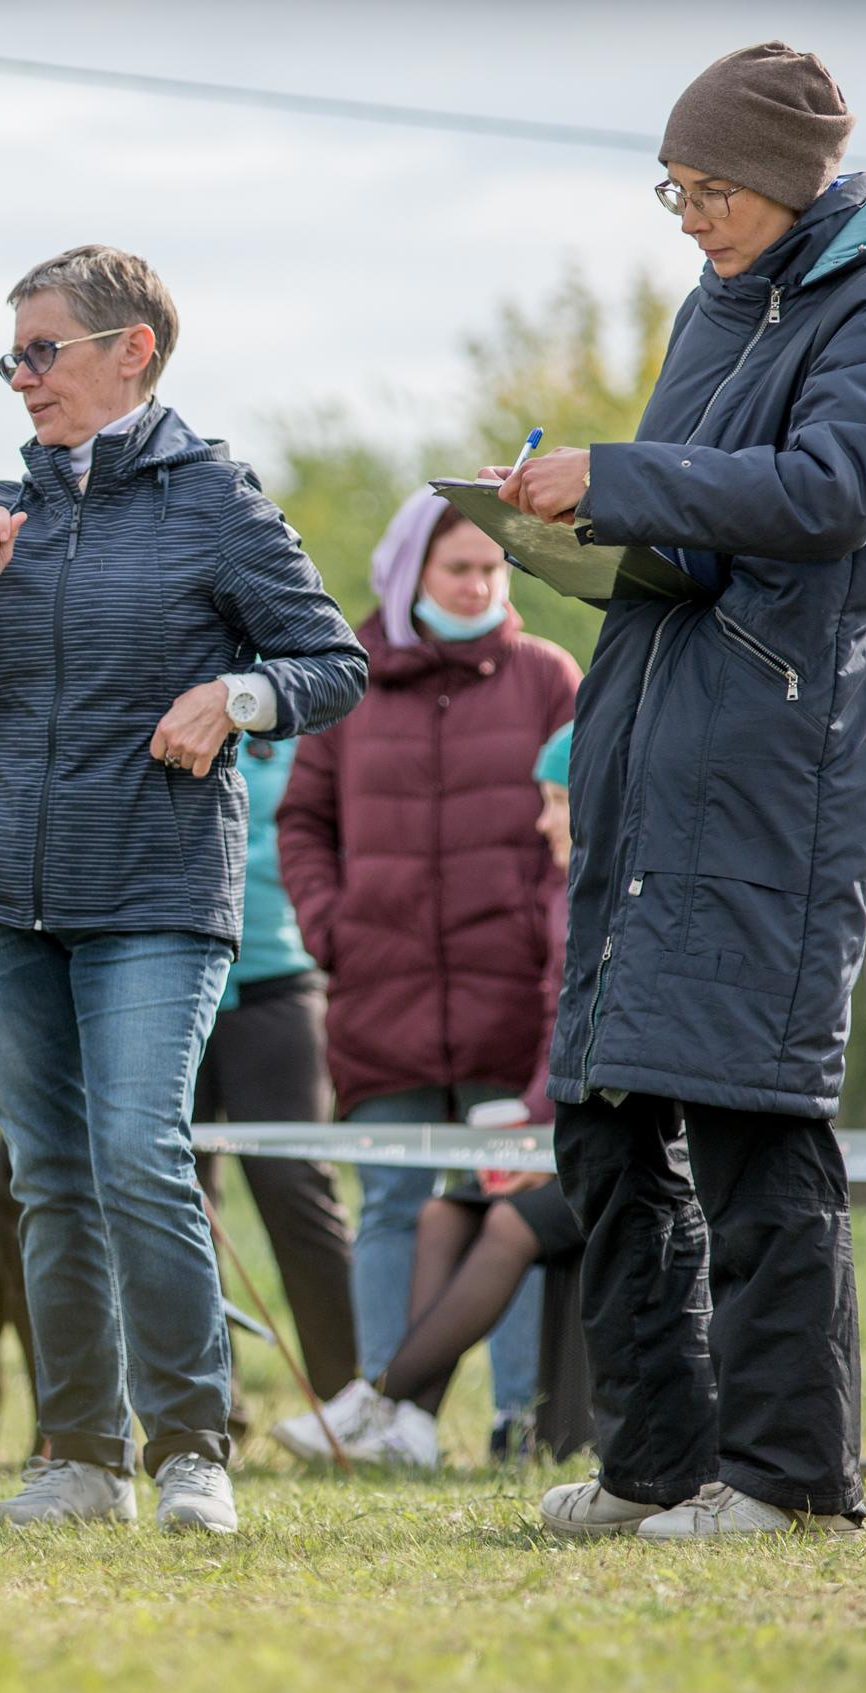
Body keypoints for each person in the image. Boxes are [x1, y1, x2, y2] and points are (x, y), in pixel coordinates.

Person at [497, 43, 866, 1541]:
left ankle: (788, 1476)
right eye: (673, 189)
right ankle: (657, 1464)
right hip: (650, 742)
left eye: (708, 188)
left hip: (777, 767)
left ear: (789, 177)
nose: (687, 215)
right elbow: (700, 516)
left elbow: (830, 495)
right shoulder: (720, 297)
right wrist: (578, 527)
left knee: (755, 1119)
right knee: (607, 1119)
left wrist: (619, 480)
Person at [0, 245, 366, 1534]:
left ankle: (190, 1451)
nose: (20, 378)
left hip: (155, 888)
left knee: (138, 1155)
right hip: (4, 889)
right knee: (48, 1175)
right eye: (11, 355)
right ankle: (82, 1462)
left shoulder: (217, 500)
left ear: (130, 352)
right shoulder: (4, 506)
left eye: (40, 351)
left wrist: (237, 696)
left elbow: (332, 661)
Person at [275, 488, 580, 1457]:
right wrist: (335, 930)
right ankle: (392, 1416)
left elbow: (578, 812)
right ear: (412, 572)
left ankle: (518, 1421)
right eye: (459, 568)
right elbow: (302, 822)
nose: (479, 584)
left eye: (493, 569)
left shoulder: (545, 677)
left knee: (509, 1198)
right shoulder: (345, 678)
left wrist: (547, 939)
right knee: (395, 1206)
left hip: (514, 994)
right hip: (384, 995)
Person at [190, 728, 358, 1426]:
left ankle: (347, 1397)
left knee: (294, 1184)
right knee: (179, 1195)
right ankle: (208, 1400)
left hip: (279, 978)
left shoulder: (304, 695)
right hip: (171, 968)